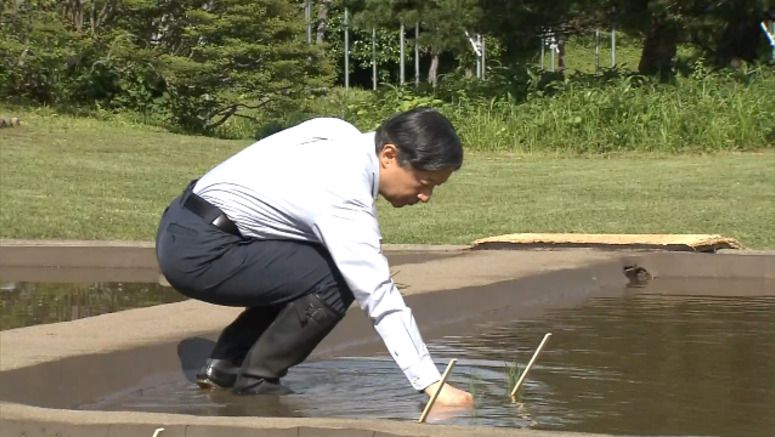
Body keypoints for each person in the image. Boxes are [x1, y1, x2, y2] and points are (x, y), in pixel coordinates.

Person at [155, 107, 473, 408]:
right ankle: (256, 381)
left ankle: (227, 364)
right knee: (336, 278)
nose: (425, 197)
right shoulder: (345, 195)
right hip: (198, 251)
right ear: (389, 155)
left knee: (319, 264)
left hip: (184, 221)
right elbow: (378, 295)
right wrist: (433, 385)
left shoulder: (337, 131)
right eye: (424, 182)